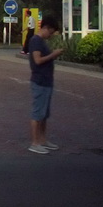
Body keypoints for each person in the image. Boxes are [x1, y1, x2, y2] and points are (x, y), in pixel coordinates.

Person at [27, 15, 63, 155]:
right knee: (38, 113)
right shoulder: (36, 41)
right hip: (40, 80)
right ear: (47, 28)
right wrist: (53, 55)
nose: (51, 35)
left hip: (47, 80)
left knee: (44, 113)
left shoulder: (41, 41)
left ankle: (42, 140)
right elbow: (38, 60)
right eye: (51, 32)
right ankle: (35, 142)